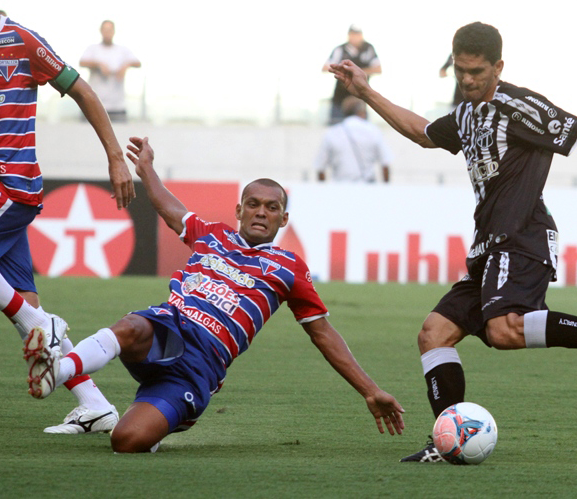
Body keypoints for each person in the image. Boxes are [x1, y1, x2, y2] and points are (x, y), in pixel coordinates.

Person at [329, 21, 577, 463]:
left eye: (478, 72)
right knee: (434, 335)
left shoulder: (519, 105)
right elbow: (422, 132)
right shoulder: (468, 112)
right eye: (461, 72)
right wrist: (366, 90)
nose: (468, 80)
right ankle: (447, 440)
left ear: (498, 66)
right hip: (488, 247)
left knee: (504, 330)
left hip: (524, 236)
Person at [24, 136, 406, 453]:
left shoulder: (290, 269)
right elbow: (172, 210)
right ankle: (58, 371)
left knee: (127, 441)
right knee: (133, 326)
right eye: (253, 204)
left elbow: (323, 332)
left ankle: (153, 421)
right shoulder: (213, 235)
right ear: (239, 210)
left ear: (283, 219)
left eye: (272, 208)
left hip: (201, 365)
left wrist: (370, 391)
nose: (261, 212)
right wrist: (147, 170)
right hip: (169, 330)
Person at [0, 0, 134, 434]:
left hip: (11, 184)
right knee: (25, 312)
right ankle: (94, 404)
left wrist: (115, 156)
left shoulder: (22, 41)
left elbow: (82, 89)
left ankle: (41, 322)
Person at [314, 97, 393, 183]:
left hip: (339, 190)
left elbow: (320, 168)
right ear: (362, 112)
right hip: (367, 189)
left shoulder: (332, 133)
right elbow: (385, 164)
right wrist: (386, 189)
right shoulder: (374, 131)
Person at [79, 20, 141, 122]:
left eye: (110, 30)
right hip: (94, 106)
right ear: (101, 31)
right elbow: (82, 62)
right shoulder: (93, 49)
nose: (107, 33)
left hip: (117, 107)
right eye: (105, 30)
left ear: (114, 32)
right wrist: (98, 64)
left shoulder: (122, 50)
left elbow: (137, 63)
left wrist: (126, 65)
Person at [322, 25, 381, 124]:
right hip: (341, 97)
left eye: (357, 34)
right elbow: (325, 67)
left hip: (360, 97)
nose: (354, 37)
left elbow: (378, 69)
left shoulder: (368, 49)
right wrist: (342, 70)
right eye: (352, 34)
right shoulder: (341, 49)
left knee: (361, 131)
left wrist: (357, 72)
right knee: (336, 128)